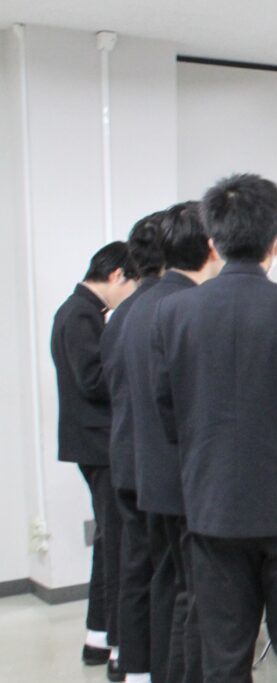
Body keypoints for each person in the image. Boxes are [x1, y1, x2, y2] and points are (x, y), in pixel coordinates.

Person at [151, 174, 277, 681]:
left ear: (213, 241)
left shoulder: (173, 312)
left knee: (224, 658)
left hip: (212, 504)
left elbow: (167, 411)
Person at [125, 201, 222, 682]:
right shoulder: (188, 308)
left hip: (155, 473)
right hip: (187, 477)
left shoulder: (141, 304)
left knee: (171, 585)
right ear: (212, 245)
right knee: (196, 599)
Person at [50, 241, 138, 676]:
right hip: (100, 445)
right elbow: (92, 380)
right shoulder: (81, 314)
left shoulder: (78, 311)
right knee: (119, 545)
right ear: (118, 275)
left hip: (92, 443)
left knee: (108, 541)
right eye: (133, 284)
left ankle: (98, 636)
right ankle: (121, 644)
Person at [100, 212, 166, 683]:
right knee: (161, 574)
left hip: (126, 454)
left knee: (135, 566)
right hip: (155, 462)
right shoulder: (166, 308)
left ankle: (131, 662)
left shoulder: (123, 311)